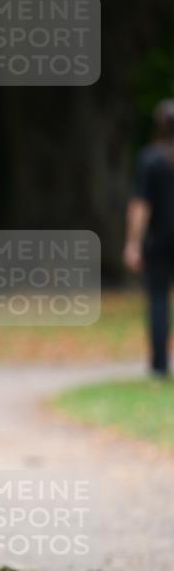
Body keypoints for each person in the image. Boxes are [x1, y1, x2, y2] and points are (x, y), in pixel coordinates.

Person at [124, 99, 174, 377]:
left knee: (158, 300)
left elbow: (141, 206)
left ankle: (159, 366)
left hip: (158, 240)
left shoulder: (150, 159)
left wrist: (133, 243)